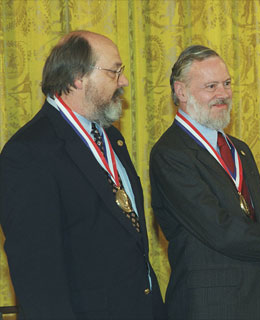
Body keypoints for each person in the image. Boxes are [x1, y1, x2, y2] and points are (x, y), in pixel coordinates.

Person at [0, 31, 166, 319]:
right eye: (115, 71)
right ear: (78, 78)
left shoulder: (111, 137)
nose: (124, 81)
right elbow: (37, 275)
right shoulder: (29, 152)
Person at [149, 45, 260, 319]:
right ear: (182, 91)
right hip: (211, 308)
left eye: (226, 83)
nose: (223, 94)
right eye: (211, 86)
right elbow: (223, 231)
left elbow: (259, 228)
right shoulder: (170, 154)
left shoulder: (240, 149)